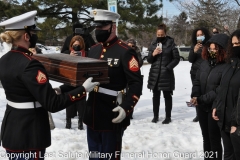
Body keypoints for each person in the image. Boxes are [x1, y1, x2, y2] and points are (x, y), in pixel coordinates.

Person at [0, 10, 99, 160]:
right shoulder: (30, 64)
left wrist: (62, 88)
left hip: (12, 130)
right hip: (29, 134)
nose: (35, 35)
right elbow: (52, 104)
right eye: (33, 32)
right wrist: (83, 90)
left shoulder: (5, 59)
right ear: (26, 36)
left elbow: (26, 90)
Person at [83, 9, 143, 160]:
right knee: (94, 156)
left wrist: (126, 107)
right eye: (96, 27)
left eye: (102, 27)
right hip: (92, 113)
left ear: (113, 27)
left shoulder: (125, 52)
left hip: (112, 113)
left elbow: (136, 83)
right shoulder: (94, 50)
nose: (98, 31)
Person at [190, 33, 229, 160]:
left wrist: (202, 99)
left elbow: (220, 89)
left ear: (222, 50)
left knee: (214, 139)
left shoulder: (226, 66)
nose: (212, 51)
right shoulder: (204, 63)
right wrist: (196, 95)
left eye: (215, 49)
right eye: (210, 49)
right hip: (201, 106)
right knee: (205, 138)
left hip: (215, 108)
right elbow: (197, 80)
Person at [212, 29, 240, 160]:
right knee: (228, 155)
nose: (235, 47)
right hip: (224, 121)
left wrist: (236, 123)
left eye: (238, 44)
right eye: (233, 44)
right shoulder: (229, 64)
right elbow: (222, 88)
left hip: (237, 125)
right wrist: (216, 106)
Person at [147, 23, 180, 124]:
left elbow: (176, 58)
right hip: (155, 74)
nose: (160, 36)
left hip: (166, 74)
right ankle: (155, 116)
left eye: (162, 35)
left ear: (165, 34)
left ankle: (168, 117)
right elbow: (149, 60)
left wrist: (168, 68)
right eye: (158, 35)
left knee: (167, 96)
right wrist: (153, 54)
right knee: (155, 96)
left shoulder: (171, 43)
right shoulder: (153, 44)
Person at [60, 35, 86, 129]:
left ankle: (80, 122)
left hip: (81, 81)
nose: (76, 47)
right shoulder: (66, 53)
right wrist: (69, 56)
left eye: (78, 45)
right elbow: (61, 64)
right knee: (69, 100)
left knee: (81, 102)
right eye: (74, 45)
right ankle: (68, 121)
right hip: (69, 80)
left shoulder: (86, 53)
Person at [188, 27, 211, 122]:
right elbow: (190, 59)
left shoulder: (210, 45)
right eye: (198, 35)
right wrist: (194, 51)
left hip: (207, 72)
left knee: (206, 93)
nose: (199, 37)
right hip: (195, 72)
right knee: (196, 93)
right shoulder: (194, 45)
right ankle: (198, 114)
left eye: (201, 35)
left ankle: (208, 111)